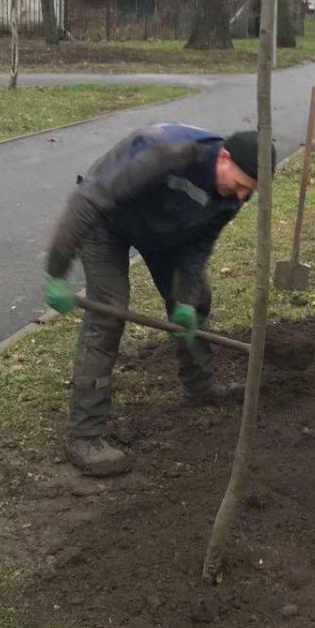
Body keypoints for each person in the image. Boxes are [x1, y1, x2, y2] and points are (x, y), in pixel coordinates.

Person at [44, 123, 274, 477]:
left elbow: (198, 246)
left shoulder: (231, 196)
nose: (243, 197)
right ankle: (84, 435)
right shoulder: (164, 154)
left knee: (198, 300)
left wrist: (183, 300)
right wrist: (57, 272)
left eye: (251, 192)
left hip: (165, 231)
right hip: (109, 223)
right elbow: (87, 201)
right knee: (109, 315)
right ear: (224, 157)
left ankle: (200, 388)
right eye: (242, 185)